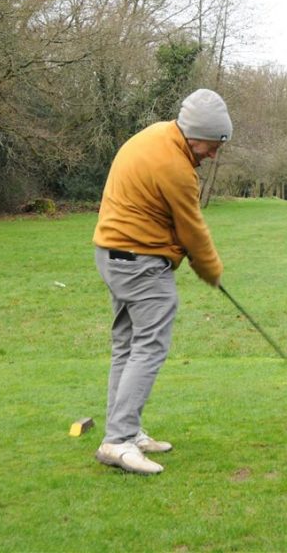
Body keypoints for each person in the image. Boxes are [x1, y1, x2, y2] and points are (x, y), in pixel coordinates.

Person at [91, 88, 232, 475]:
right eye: (212, 144)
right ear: (195, 134)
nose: (213, 154)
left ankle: (125, 431)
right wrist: (211, 270)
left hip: (112, 254)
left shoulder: (155, 135)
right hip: (139, 262)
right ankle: (118, 440)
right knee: (149, 345)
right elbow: (192, 228)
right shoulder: (174, 164)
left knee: (128, 344)